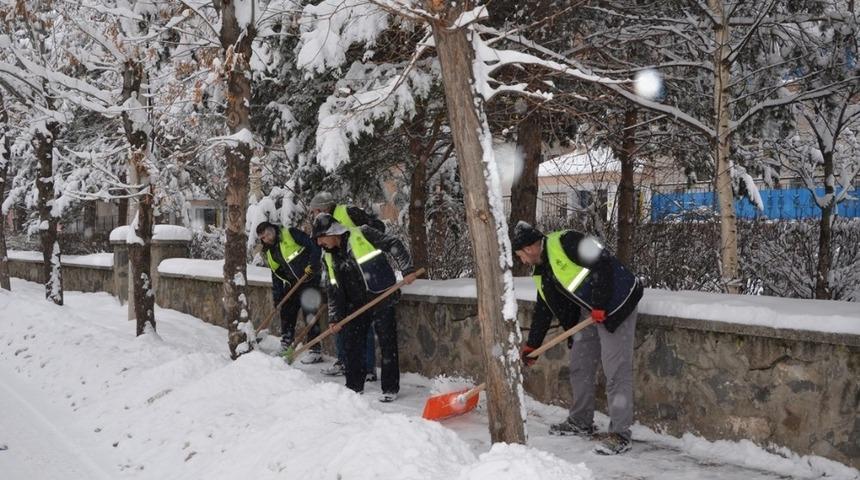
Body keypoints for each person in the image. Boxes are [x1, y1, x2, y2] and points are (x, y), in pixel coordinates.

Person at [512, 221, 643, 455]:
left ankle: (620, 434)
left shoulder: (566, 241)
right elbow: (544, 308)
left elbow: (603, 262)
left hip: (617, 302)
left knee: (616, 371)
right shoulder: (541, 270)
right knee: (580, 365)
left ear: (530, 247)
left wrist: (602, 303)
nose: (521, 261)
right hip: (591, 311)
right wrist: (533, 345)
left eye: (520, 255)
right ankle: (581, 421)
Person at [312, 213, 417, 402]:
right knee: (351, 344)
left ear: (333, 232)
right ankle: (353, 387)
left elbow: (394, 244)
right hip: (354, 304)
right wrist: (335, 318)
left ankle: (390, 388)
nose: (320, 243)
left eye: (321, 237)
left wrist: (407, 270)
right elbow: (332, 289)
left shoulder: (362, 234)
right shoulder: (327, 257)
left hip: (380, 295)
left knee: (387, 343)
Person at [309, 191, 383, 380]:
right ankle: (344, 361)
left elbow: (377, 228)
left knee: (363, 325)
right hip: (337, 274)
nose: (314, 214)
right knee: (339, 322)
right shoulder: (322, 224)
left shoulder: (348, 212)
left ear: (325, 207)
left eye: (316, 210)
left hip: (360, 275)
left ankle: (367, 369)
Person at [256, 221, 324, 364]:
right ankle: (286, 342)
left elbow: (313, 246)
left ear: (273, 229)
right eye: (263, 237)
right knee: (286, 309)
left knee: (309, 311)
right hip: (293, 282)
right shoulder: (269, 252)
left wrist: (313, 265)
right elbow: (276, 276)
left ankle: (315, 349)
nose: (267, 238)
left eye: (268, 233)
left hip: (309, 277)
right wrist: (277, 299)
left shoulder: (290, 233)